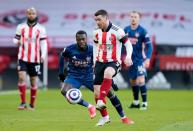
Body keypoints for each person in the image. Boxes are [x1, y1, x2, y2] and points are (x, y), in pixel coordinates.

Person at [93, 9, 134, 126]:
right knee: (100, 93)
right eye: (96, 20)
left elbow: (128, 44)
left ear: (106, 18)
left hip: (113, 62)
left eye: (99, 19)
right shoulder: (96, 31)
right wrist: (94, 61)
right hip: (100, 63)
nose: (97, 22)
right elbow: (96, 46)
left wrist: (128, 57)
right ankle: (106, 118)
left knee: (108, 73)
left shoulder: (117, 31)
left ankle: (101, 100)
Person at [13, 7, 48, 110]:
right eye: (29, 13)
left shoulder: (41, 28)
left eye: (33, 13)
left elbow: (43, 43)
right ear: (26, 14)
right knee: (21, 78)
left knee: (33, 81)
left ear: (36, 14)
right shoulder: (21, 27)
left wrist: (43, 55)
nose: (31, 15)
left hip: (35, 59)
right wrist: (17, 42)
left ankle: (32, 104)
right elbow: (15, 38)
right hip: (22, 57)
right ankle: (23, 102)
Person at [58, 30, 96, 119]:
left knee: (105, 93)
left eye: (83, 39)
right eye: (79, 39)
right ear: (76, 40)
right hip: (74, 77)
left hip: (89, 76)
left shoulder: (92, 49)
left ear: (87, 39)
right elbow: (62, 56)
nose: (81, 41)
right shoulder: (70, 49)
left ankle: (113, 115)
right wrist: (61, 72)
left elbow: (100, 61)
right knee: (64, 91)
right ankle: (90, 106)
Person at [124, 11, 153, 110]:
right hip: (130, 61)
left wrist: (148, 59)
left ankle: (144, 103)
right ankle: (136, 102)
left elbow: (149, 46)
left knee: (140, 80)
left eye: (135, 17)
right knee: (133, 81)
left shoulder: (143, 31)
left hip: (140, 60)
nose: (133, 19)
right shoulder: (126, 30)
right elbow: (120, 44)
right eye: (131, 17)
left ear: (139, 19)